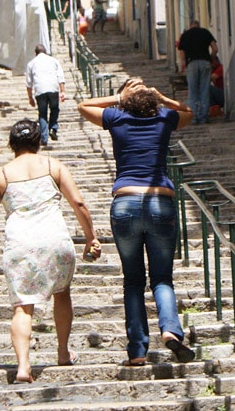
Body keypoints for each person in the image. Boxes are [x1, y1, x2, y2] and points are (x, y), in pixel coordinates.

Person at [0, 119, 102, 383]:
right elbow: (78, 202)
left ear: (11, 144)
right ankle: (63, 352)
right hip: (55, 241)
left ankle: (23, 367)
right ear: (38, 142)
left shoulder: (2, 175)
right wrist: (90, 237)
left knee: (22, 307)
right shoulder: (54, 166)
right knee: (62, 294)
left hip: (20, 245)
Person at [78, 78, 196, 367]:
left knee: (133, 280)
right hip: (160, 201)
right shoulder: (164, 117)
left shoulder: (117, 117)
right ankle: (170, 330)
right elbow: (189, 113)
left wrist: (119, 98)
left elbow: (82, 106)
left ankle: (138, 351)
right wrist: (162, 98)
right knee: (162, 278)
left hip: (126, 201)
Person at [176, 20, 217, 124]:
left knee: (192, 92)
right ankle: (203, 117)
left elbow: (182, 53)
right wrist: (211, 59)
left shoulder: (185, 35)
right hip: (205, 63)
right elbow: (215, 48)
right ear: (199, 26)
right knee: (204, 91)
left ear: (190, 26)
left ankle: (193, 118)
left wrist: (185, 65)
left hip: (192, 64)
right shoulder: (205, 32)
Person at [26, 44, 66, 144]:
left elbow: (29, 83)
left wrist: (30, 97)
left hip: (40, 90)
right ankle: (53, 129)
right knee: (54, 109)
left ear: (35, 53)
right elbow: (60, 76)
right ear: (46, 51)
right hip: (53, 88)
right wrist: (62, 91)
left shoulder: (31, 63)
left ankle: (44, 138)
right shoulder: (53, 60)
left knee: (42, 114)